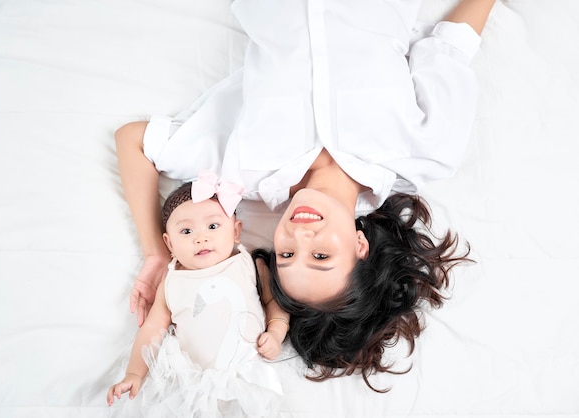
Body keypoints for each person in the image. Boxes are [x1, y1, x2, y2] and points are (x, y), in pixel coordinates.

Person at [114, 0, 496, 390]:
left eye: (286, 254)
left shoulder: (238, 170)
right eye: (320, 256)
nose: (299, 237)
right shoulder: (426, 155)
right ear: (360, 246)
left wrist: (157, 253)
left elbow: (132, 142)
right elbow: (451, 45)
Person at [107, 178, 289, 416]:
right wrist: (134, 373)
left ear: (236, 231)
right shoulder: (171, 280)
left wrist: (275, 333)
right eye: (186, 231)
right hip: (196, 385)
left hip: (252, 373)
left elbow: (275, 302)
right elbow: (152, 328)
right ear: (169, 243)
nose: (200, 238)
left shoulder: (249, 264)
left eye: (213, 227)